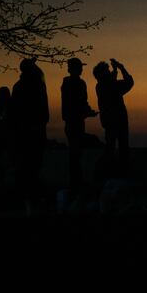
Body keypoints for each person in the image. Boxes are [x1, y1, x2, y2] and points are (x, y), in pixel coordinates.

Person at [10, 59, 49, 209]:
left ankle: (24, 198)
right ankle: (31, 198)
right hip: (33, 133)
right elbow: (44, 113)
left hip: (23, 133)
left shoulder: (18, 86)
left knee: (25, 167)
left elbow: (14, 113)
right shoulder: (38, 85)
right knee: (32, 166)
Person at [61, 58, 98, 193]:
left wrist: (86, 112)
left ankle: (75, 181)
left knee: (74, 152)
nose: (82, 70)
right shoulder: (79, 83)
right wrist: (88, 112)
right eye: (80, 67)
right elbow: (81, 102)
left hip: (71, 122)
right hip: (75, 122)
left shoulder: (66, 83)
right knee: (76, 153)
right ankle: (76, 182)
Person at [93, 58, 134, 176]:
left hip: (109, 121)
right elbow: (128, 82)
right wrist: (121, 68)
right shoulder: (108, 85)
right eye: (107, 70)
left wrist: (116, 71)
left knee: (111, 147)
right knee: (121, 148)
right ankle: (121, 173)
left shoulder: (100, 86)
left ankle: (110, 172)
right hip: (118, 120)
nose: (109, 72)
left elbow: (111, 82)